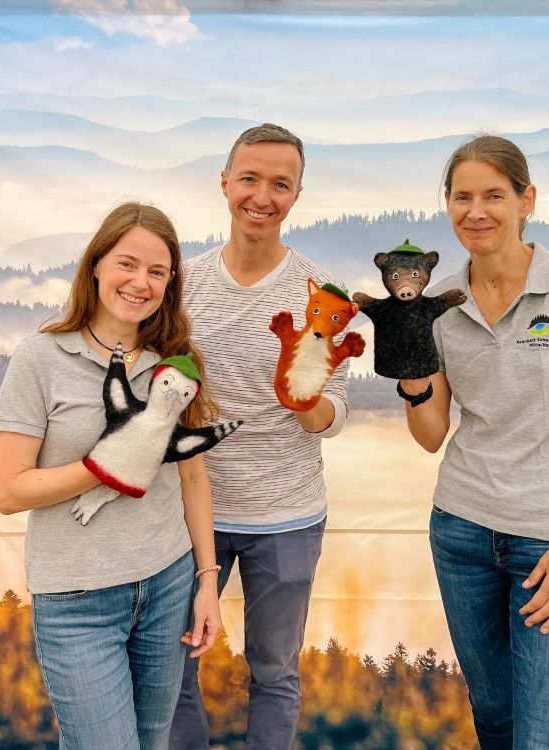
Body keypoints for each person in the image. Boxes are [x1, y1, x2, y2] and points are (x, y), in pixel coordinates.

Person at [399, 135, 549, 749]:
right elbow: (430, 436)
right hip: (462, 532)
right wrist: (412, 372)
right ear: (446, 205)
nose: (476, 211)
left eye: (494, 195)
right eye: (462, 197)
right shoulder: (437, 305)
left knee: (547, 738)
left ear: (527, 201)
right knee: (497, 722)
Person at [0, 201, 222, 750]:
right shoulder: (40, 358)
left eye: (158, 271)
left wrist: (206, 582)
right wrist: (103, 468)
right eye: (127, 263)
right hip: (77, 603)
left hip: (167, 586)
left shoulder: (175, 360)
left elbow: (192, 480)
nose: (140, 282)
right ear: (95, 264)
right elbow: (9, 491)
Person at [170, 123, 352, 749]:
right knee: (175, 666)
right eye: (250, 179)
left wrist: (309, 407)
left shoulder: (321, 297)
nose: (262, 196)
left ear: (297, 195)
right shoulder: (181, 286)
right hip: (194, 514)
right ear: (224, 184)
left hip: (289, 515)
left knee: (274, 672)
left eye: (280, 184)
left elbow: (335, 411)